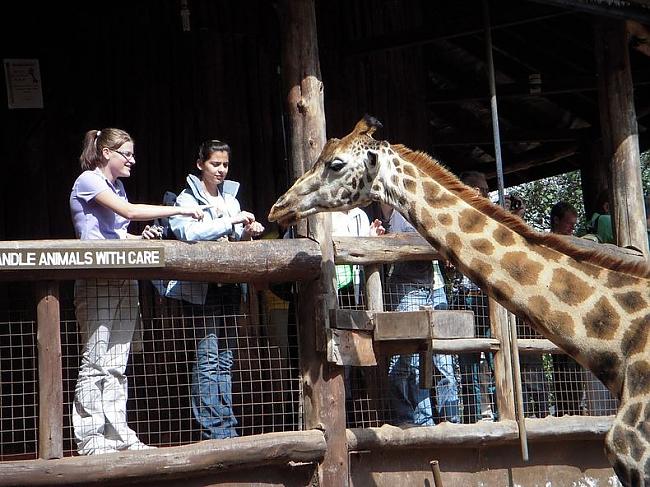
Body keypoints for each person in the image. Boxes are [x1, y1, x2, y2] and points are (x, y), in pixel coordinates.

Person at [70, 128, 204, 455]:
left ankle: (118, 434)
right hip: (97, 279)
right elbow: (128, 214)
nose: (132, 160)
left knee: (117, 362)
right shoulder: (89, 181)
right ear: (106, 154)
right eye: (126, 154)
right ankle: (90, 440)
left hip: (124, 278)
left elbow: (117, 235)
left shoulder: (118, 186)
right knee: (95, 361)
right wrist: (178, 210)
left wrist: (140, 240)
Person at [157, 139, 264, 440]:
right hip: (200, 289)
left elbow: (233, 242)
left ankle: (227, 427)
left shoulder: (231, 199)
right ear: (200, 164)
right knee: (207, 358)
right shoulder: (185, 199)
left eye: (225, 165)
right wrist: (229, 221)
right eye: (215, 164)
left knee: (226, 358)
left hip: (228, 287)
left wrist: (246, 233)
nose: (221, 170)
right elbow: (187, 232)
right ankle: (212, 429)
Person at [386, 207, 460, 425]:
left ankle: (446, 422)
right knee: (404, 361)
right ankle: (411, 421)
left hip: (433, 288)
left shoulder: (430, 211)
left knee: (443, 359)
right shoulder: (396, 210)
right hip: (408, 287)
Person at [452, 171, 497, 423]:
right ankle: (470, 417)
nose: (484, 193)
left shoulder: (489, 217)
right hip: (463, 295)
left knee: (493, 357)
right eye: (481, 189)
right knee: (467, 359)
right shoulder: (455, 215)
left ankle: (501, 413)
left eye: (486, 190)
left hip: (486, 297)